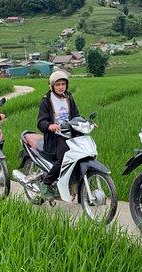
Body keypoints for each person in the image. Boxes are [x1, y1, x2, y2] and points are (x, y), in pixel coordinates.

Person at [37, 70, 79, 198]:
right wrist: (50, 125)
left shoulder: (69, 98)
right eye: (58, 84)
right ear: (52, 86)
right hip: (55, 137)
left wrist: (84, 122)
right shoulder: (46, 101)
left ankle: (75, 182)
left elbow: (76, 115)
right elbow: (41, 122)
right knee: (65, 157)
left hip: (70, 134)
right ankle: (47, 182)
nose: (61, 87)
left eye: (63, 84)